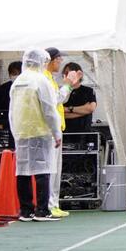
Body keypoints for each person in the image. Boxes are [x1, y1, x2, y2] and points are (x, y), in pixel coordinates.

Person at [9, 49, 71, 222]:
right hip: (40, 131)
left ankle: (26, 210)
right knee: (43, 170)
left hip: (22, 132)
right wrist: (56, 132)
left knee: (23, 171)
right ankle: (42, 210)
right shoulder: (41, 80)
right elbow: (49, 108)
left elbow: (11, 111)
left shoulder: (18, 81)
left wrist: (15, 131)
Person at [43, 47, 79, 218]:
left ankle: (53, 203)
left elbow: (60, 98)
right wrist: (67, 84)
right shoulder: (44, 78)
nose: (60, 63)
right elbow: (55, 100)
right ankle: (50, 204)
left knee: (55, 170)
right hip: (49, 130)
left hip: (56, 129)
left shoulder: (50, 78)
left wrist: (68, 85)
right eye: (58, 60)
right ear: (51, 60)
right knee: (51, 169)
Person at [0, 61, 21, 148]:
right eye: (14, 73)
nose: (16, 76)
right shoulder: (1, 89)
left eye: (19, 73)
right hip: (6, 123)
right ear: (9, 74)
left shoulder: (29, 88)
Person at [62, 63, 97, 133]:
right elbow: (60, 114)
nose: (67, 76)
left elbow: (90, 108)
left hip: (84, 134)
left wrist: (68, 109)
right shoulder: (62, 92)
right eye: (66, 74)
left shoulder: (88, 91)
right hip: (66, 134)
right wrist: (83, 111)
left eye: (69, 74)